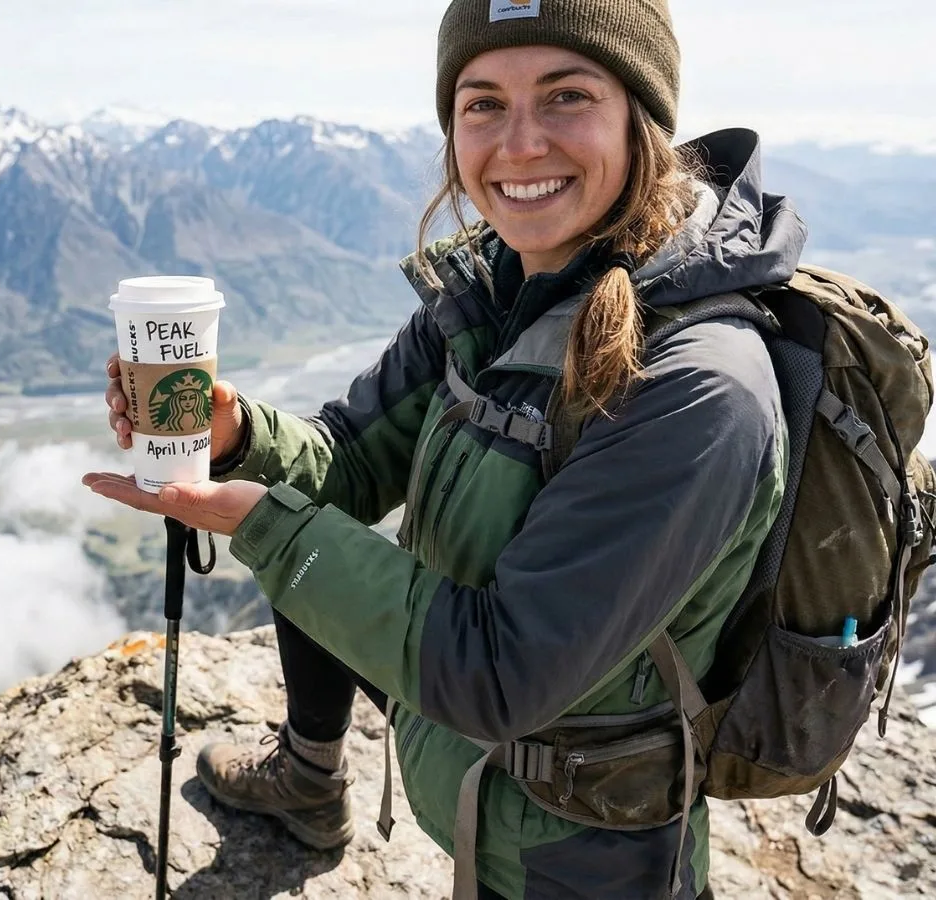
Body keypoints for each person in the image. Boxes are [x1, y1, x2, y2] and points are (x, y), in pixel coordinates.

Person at [84, 1, 800, 896]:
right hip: (470, 769)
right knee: (317, 537)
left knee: (305, 543)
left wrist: (271, 528)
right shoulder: (495, 289)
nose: (520, 142)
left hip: (577, 858)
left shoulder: (699, 386)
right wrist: (236, 435)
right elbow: (347, 464)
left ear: (641, 119)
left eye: (566, 95)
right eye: (483, 103)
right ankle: (310, 782)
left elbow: (500, 674)